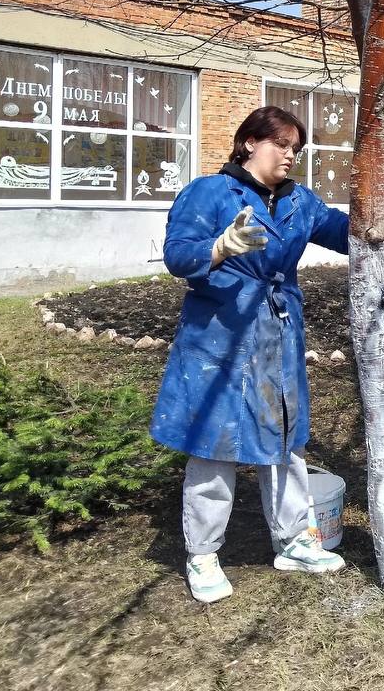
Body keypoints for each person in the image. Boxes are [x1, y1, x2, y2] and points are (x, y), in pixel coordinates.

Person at [150, 106, 350, 604]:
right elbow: (178, 254)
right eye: (281, 144)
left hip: (276, 332)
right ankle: (203, 553)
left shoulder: (300, 202)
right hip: (218, 337)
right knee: (214, 447)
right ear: (248, 143)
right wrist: (219, 247)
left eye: (296, 148)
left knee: (283, 438)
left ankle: (294, 541)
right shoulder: (210, 192)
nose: (290, 155)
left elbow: (345, 230)